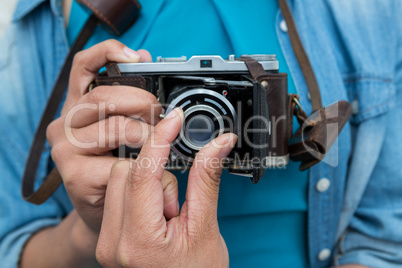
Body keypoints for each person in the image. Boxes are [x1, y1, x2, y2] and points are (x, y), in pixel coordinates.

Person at [0, 0, 401, 267]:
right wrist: (90, 230)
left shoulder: (370, 10)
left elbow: (384, 237)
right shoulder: (52, 13)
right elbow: (11, 242)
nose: (200, 127)